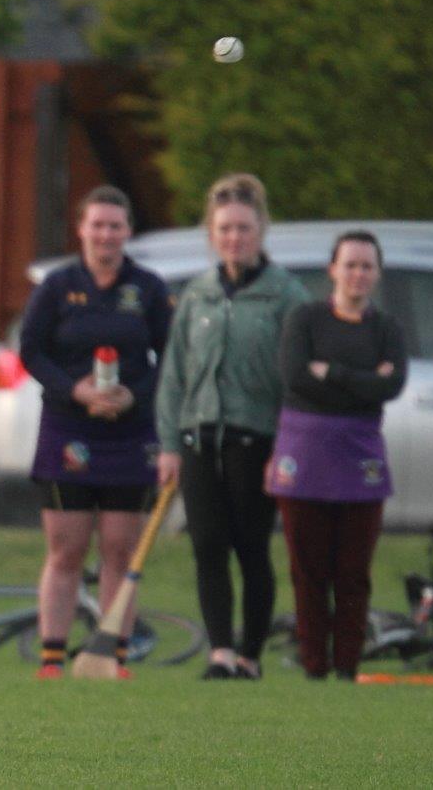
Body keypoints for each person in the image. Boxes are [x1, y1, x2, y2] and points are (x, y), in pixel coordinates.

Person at [155, 173, 309, 681]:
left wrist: (285, 447)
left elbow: (296, 382)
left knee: (251, 547)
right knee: (207, 545)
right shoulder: (197, 294)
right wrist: (170, 444)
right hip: (201, 437)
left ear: (261, 229)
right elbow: (174, 374)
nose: (234, 238)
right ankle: (219, 651)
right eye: (224, 229)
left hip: (257, 439)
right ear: (211, 233)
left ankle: (250, 654)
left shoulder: (285, 295)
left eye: (243, 228)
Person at [19, 185, 173, 680]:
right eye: (97, 225)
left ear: (127, 232)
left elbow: (171, 358)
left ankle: (112, 654)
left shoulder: (147, 288)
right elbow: (31, 353)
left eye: (116, 226)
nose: (106, 234)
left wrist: (135, 395)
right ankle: (52, 656)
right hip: (69, 430)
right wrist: (76, 391)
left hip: (131, 433)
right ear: (82, 229)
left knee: (118, 548)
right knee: (66, 548)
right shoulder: (58, 286)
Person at [266, 231, 406, 681]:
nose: (358, 274)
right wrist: (364, 380)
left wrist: (334, 373)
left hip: (360, 456)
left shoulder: (386, 329)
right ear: (332, 270)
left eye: (367, 266)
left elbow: (392, 386)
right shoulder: (305, 319)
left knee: (353, 570)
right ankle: (314, 664)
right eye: (350, 265)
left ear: (377, 273)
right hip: (303, 455)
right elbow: (295, 378)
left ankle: (348, 664)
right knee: (308, 570)